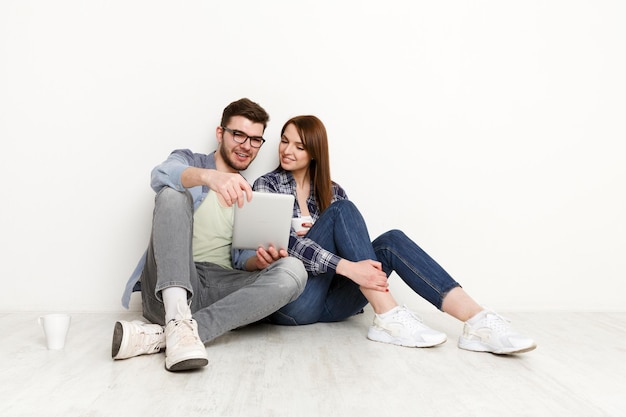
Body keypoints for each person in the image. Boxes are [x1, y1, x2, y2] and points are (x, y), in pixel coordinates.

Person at [252, 115, 536, 355]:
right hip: (294, 304)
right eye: (284, 140)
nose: (287, 150)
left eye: (298, 146)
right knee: (341, 211)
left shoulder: (332, 191)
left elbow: (351, 246)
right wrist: (342, 262)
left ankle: (477, 321)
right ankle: (389, 317)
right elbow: (281, 243)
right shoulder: (266, 185)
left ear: (314, 151)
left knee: (391, 241)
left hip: (333, 305)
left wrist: (344, 262)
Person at [112, 98, 307, 371]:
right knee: (171, 195)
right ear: (220, 133)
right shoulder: (191, 162)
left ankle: (169, 335)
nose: (246, 145)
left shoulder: (250, 193)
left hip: (220, 289)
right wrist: (209, 178)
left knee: (294, 270)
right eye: (238, 134)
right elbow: (160, 174)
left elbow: (242, 260)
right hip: (171, 285)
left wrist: (259, 261)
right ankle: (176, 316)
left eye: (255, 139)